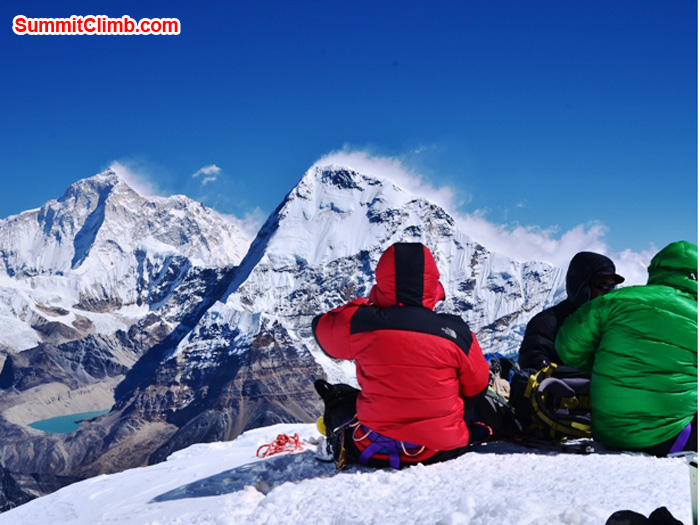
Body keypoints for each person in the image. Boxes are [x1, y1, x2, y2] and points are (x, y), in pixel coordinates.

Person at [312, 242, 490, 468]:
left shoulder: (362, 322)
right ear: (433, 284)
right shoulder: (457, 332)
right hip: (439, 452)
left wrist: (372, 302)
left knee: (345, 399)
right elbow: (477, 389)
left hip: (370, 448)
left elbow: (321, 328)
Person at [555, 241, 698, 456]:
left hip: (610, 432)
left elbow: (567, 348)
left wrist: (610, 365)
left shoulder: (613, 301)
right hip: (672, 437)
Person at [518, 251, 624, 374]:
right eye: (602, 285)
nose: (608, 293)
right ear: (582, 286)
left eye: (612, 287)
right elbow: (533, 363)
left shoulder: (610, 325)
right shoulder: (547, 322)